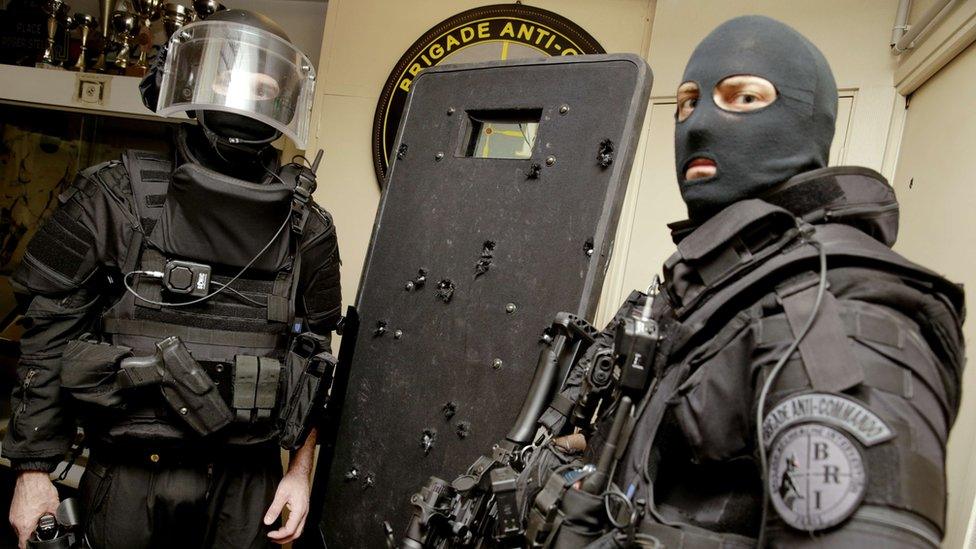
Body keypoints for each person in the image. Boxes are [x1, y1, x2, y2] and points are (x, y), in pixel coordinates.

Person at [406, 15, 964, 549]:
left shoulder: (836, 310)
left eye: (743, 97)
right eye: (689, 103)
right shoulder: (731, 287)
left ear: (804, 119)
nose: (698, 124)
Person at [4, 10, 341, 549]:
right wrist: (33, 472)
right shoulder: (114, 195)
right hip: (128, 474)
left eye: (266, 88)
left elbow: (317, 356)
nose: (248, 101)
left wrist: (300, 474)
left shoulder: (307, 225)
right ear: (195, 83)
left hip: (246, 481)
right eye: (235, 82)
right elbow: (48, 333)